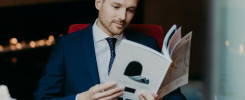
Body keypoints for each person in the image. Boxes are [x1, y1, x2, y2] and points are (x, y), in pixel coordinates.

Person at [34, 0, 186, 100]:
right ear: (99, 2)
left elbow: (176, 96)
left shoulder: (148, 43)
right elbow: (42, 98)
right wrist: (83, 98)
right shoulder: (66, 46)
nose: (122, 17)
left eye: (130, 10)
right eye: (116, 6)